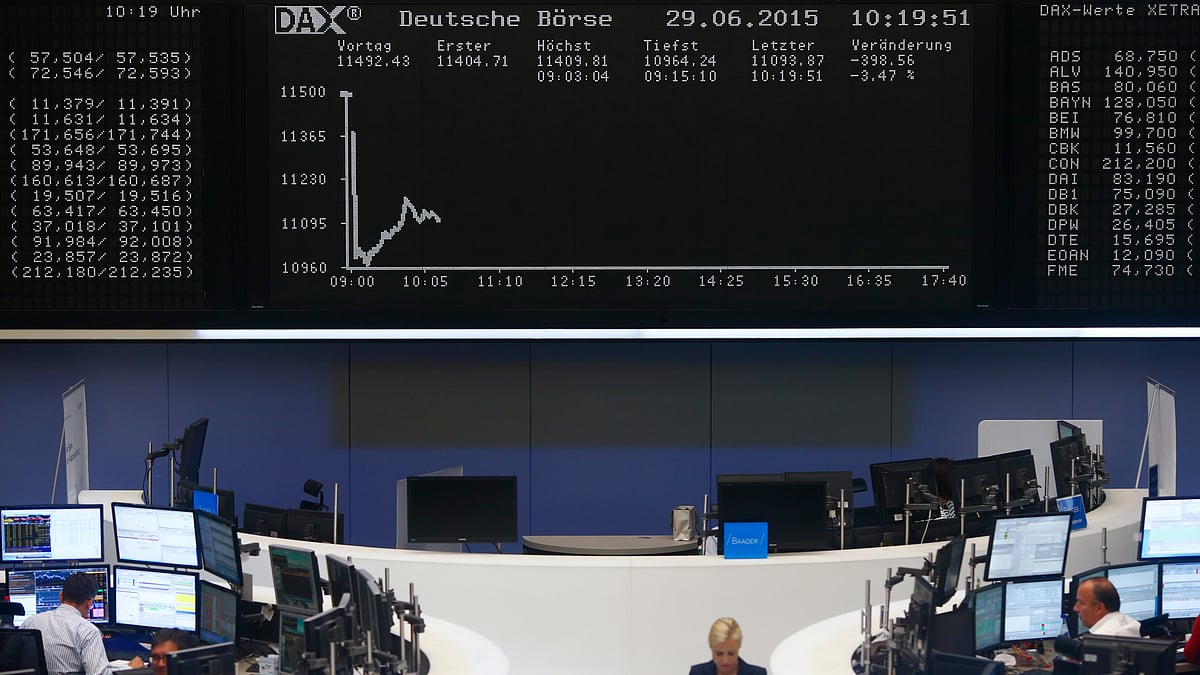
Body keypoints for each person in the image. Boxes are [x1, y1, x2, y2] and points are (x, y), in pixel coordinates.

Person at [20, 572, 145, 675]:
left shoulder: (30, 622)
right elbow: (98, 674)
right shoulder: (88, 631)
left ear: (61, 596)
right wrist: (129, 668)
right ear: (89, 602)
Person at [688, 617, 766, 675]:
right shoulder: (697, 673)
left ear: (739, 646)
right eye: (719, 654)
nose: (725, 660)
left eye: (731, 653)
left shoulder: (758, 673)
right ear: (711, 647)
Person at [1073, 577, 1141, 637]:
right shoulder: (1133, 624)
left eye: (1081, 603)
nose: (1075, 608)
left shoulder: (1100, 640)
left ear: (1099, 608)